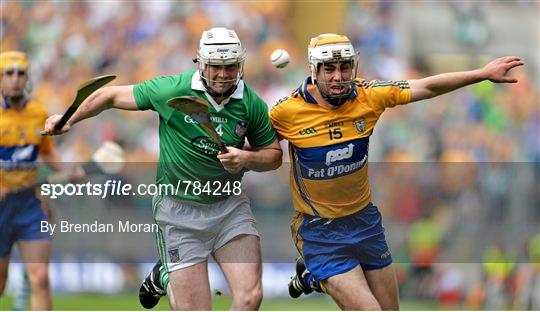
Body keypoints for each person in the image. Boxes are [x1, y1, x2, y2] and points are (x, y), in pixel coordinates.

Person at [268, 33, 523, 310]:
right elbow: (261, 149)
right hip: (320, 230)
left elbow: (426, 86)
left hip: (364, 223)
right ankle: (319, 274)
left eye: (344, 68)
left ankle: (313, 278)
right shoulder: (287, 111)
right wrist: (238, 155)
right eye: (329, 69)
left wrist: (481, 74)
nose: (338, 76)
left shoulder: (368, 95)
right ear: (313, 70)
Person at [41, 27, 282, 310]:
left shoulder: (250, 103)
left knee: (250, 296)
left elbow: (274, 155)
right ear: (201, 63)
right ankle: (165, 275)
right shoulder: (173, 89)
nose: (223, 74)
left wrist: (245, 158)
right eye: (215, 67)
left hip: (229, 206)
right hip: (180, 212)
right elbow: (108, 96)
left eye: (230, 66)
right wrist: (69, 118)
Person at [0, 50, 78, 310]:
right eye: (8, 73)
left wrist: (68, 169)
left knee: (41, 278)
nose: (15, 79)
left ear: (27, 78)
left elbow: (47, 152)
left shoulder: (38, 113)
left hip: (29, 205)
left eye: (20, 73)